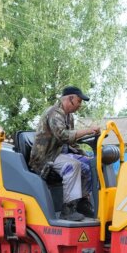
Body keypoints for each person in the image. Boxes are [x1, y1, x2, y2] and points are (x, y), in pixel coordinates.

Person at [28, 86, 101, 221]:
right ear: (70, 98)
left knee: (89, 164)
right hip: (45, 158)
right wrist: (88, 130)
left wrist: (84, 154)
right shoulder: (54, 113)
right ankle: (68, 209)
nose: (80, 105)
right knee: (72, 166)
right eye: (79, 101)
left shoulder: (69, 117)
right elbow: (63, 136)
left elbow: (71, 143)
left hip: (58, 154)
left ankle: (82, 203)